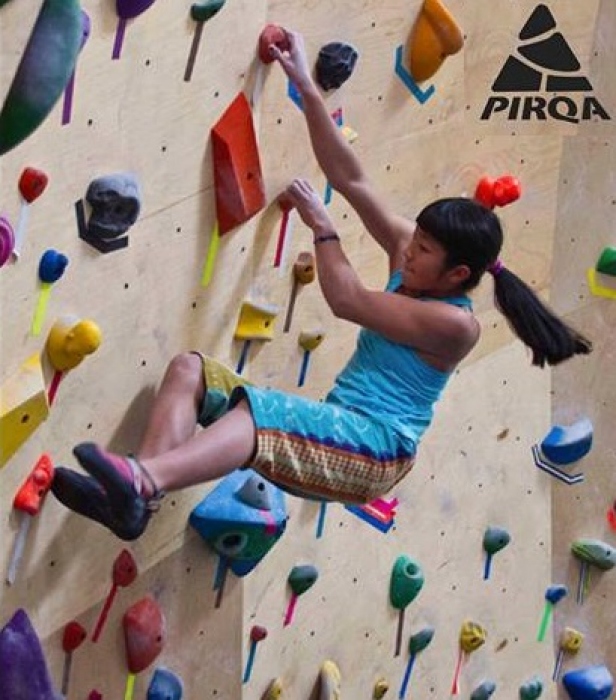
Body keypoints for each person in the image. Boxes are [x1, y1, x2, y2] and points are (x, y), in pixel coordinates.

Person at [51, 29, 592, 542]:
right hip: (341, 430)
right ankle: (134, 505)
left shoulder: (455, 325)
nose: (408, 249)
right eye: (417, 236)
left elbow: (347, 300)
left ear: (457, 275)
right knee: (192, 372)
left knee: (256, 417)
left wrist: (325, 229)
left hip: (375, 453)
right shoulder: (415, 253)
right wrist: (306, 86)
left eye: (424, 249)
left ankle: (143, 479)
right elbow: (351, 177)